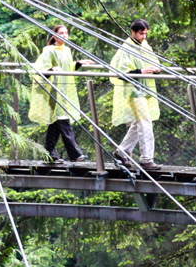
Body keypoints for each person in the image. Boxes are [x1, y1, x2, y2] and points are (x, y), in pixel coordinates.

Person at [28, 24, 94, 162]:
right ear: (54, 36)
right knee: (64, 122)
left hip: (64, 91)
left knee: (55, 124)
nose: (64, 36)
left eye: (66, 33)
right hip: (53, 91)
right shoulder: (49, 51)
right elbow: (40, 70)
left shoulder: (66, 50)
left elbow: (67, 68)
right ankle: (75, 155)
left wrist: (79, 63)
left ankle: (49, 154)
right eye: (61, 33)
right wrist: (51, 69)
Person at [110, 19, 162, 169]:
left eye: (145, 34)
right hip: (132, 91)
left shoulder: (145, 45)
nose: (144, 37)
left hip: (145, 89)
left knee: (140, 122)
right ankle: (146, 159)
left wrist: (156, 69)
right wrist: (140, 72)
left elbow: (155, 62)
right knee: (145, 122)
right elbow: (119, 73)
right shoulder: (126, 48)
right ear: (133, 32)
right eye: (141, 34)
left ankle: (122, 151)